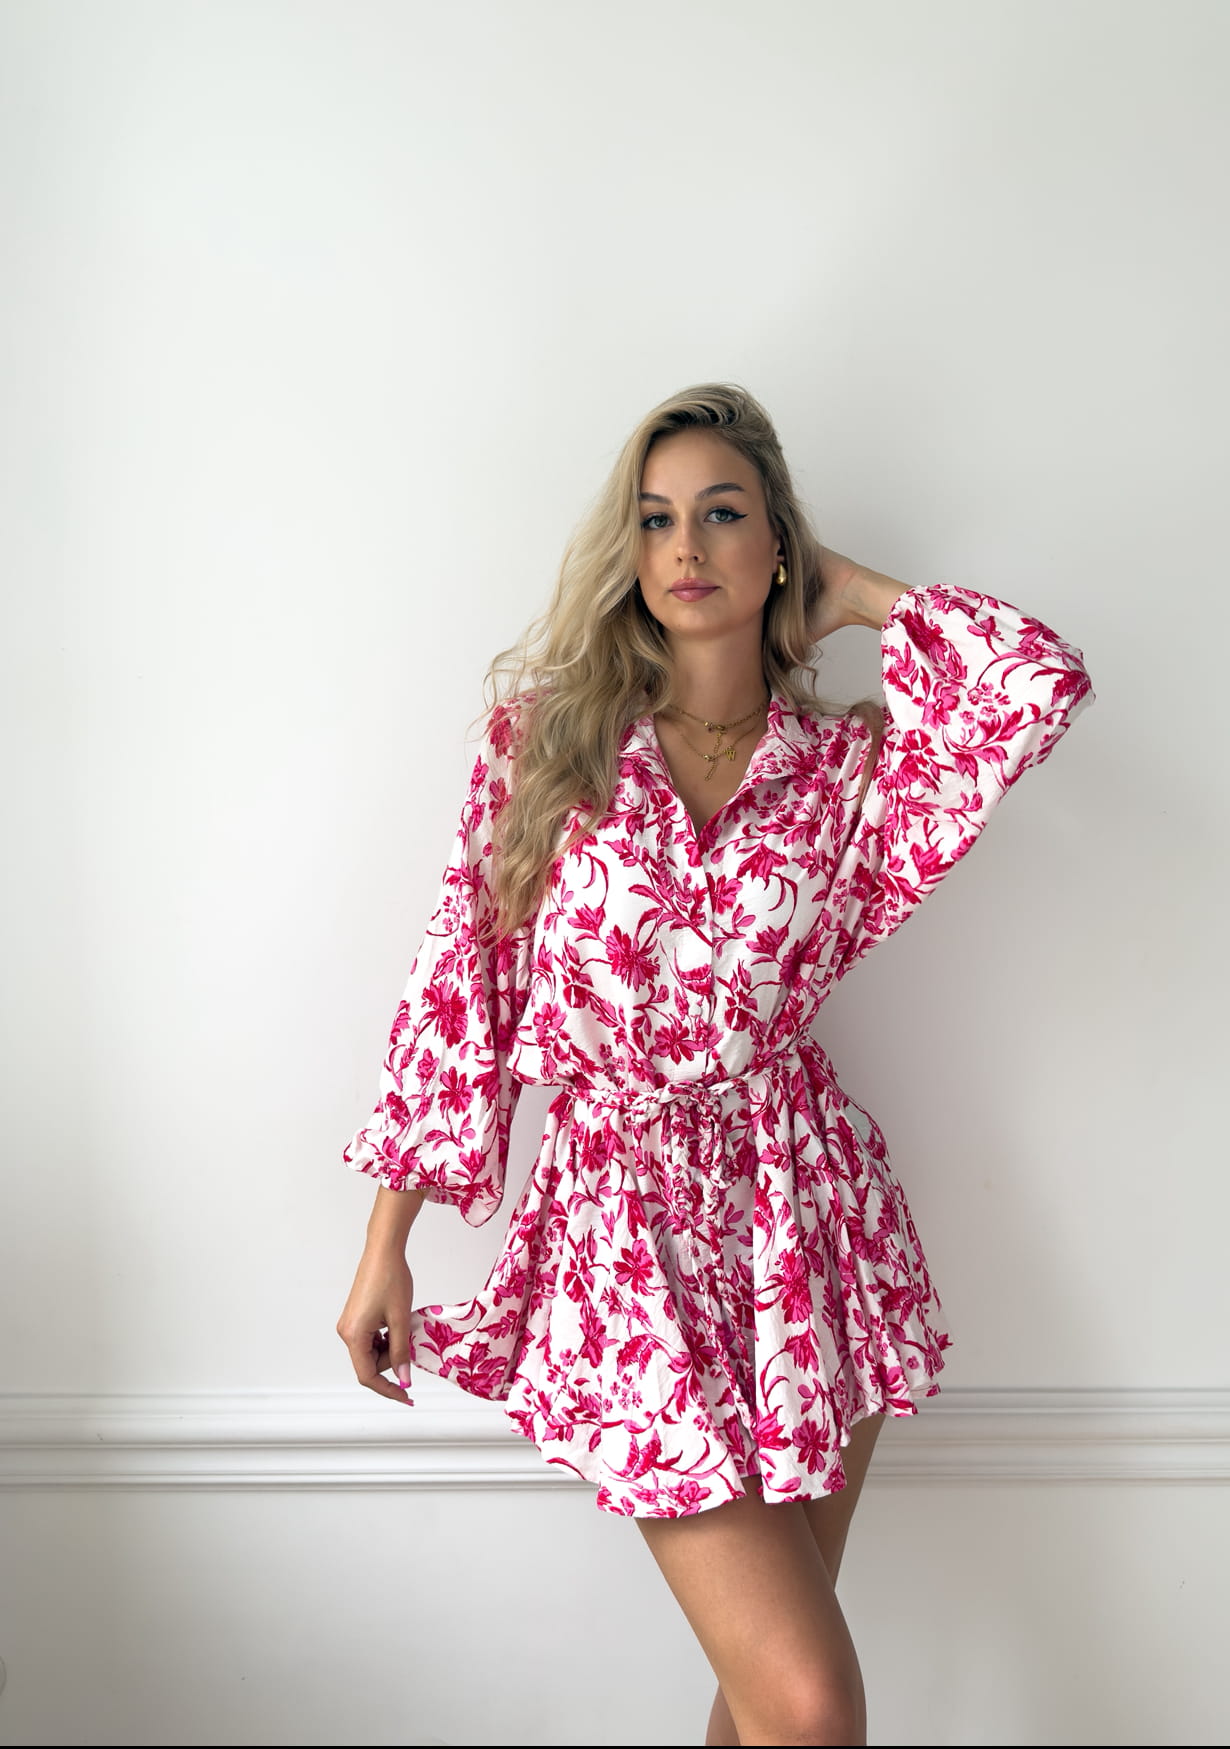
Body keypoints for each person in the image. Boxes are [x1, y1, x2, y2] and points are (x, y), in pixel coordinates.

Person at [337, 383, 1095, 1746]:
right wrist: (386, 1241)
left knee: (766, 1710)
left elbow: (1033, 682)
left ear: (776, 543)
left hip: (809, 1233)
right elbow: (462, 989)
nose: (686, 545)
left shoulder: (846, 776)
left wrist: (852, 593)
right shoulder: (549, 747)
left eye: (724, 514)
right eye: (655, 519)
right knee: (810, 1703)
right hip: (625, 1236)